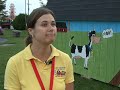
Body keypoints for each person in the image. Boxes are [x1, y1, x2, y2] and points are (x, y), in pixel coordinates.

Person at [4, 7, 74, 90]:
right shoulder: (15, 63)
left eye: (53, 24)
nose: (51, 28)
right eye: (44, 24)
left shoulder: (65, 59)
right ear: (31, 31)